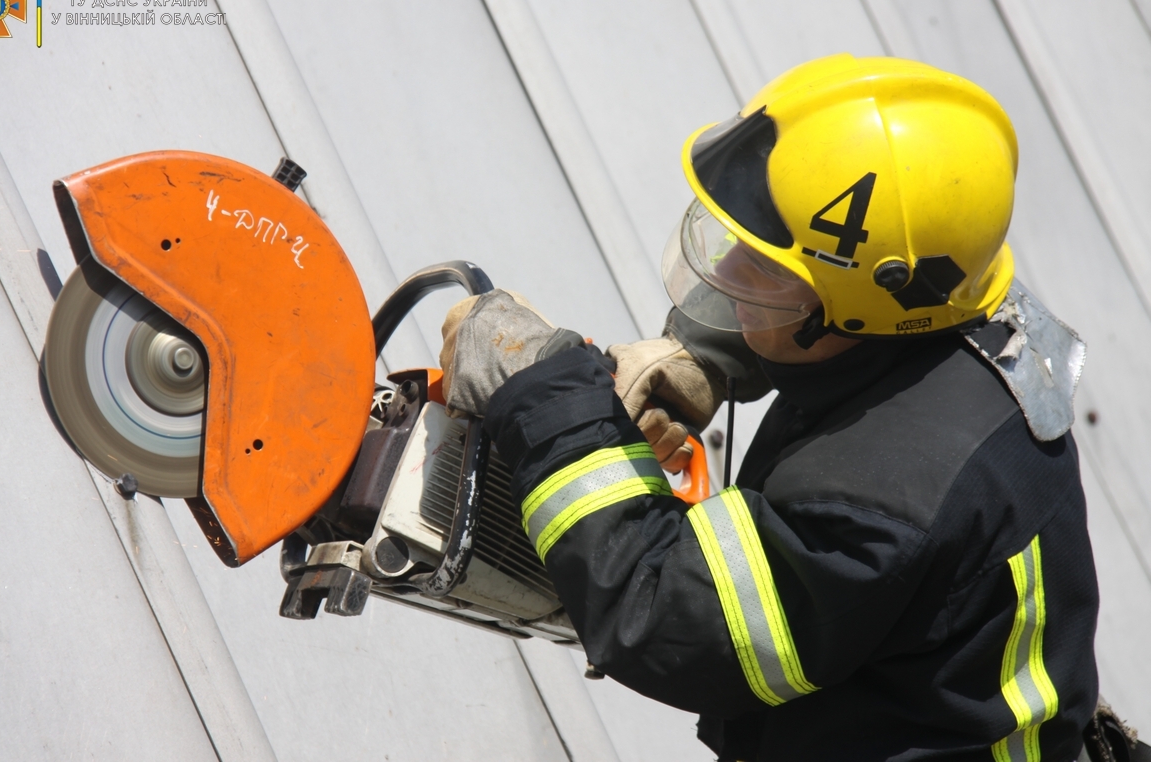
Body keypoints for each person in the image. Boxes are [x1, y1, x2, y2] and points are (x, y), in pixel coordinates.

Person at [439, 55, 1101, 761]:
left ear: (851, 307)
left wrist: (545, 393)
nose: (723, 274)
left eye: (760, 268)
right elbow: (840, 308)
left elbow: (665, 614)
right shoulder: (954, 301)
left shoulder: (877, 500)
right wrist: (708, 354)